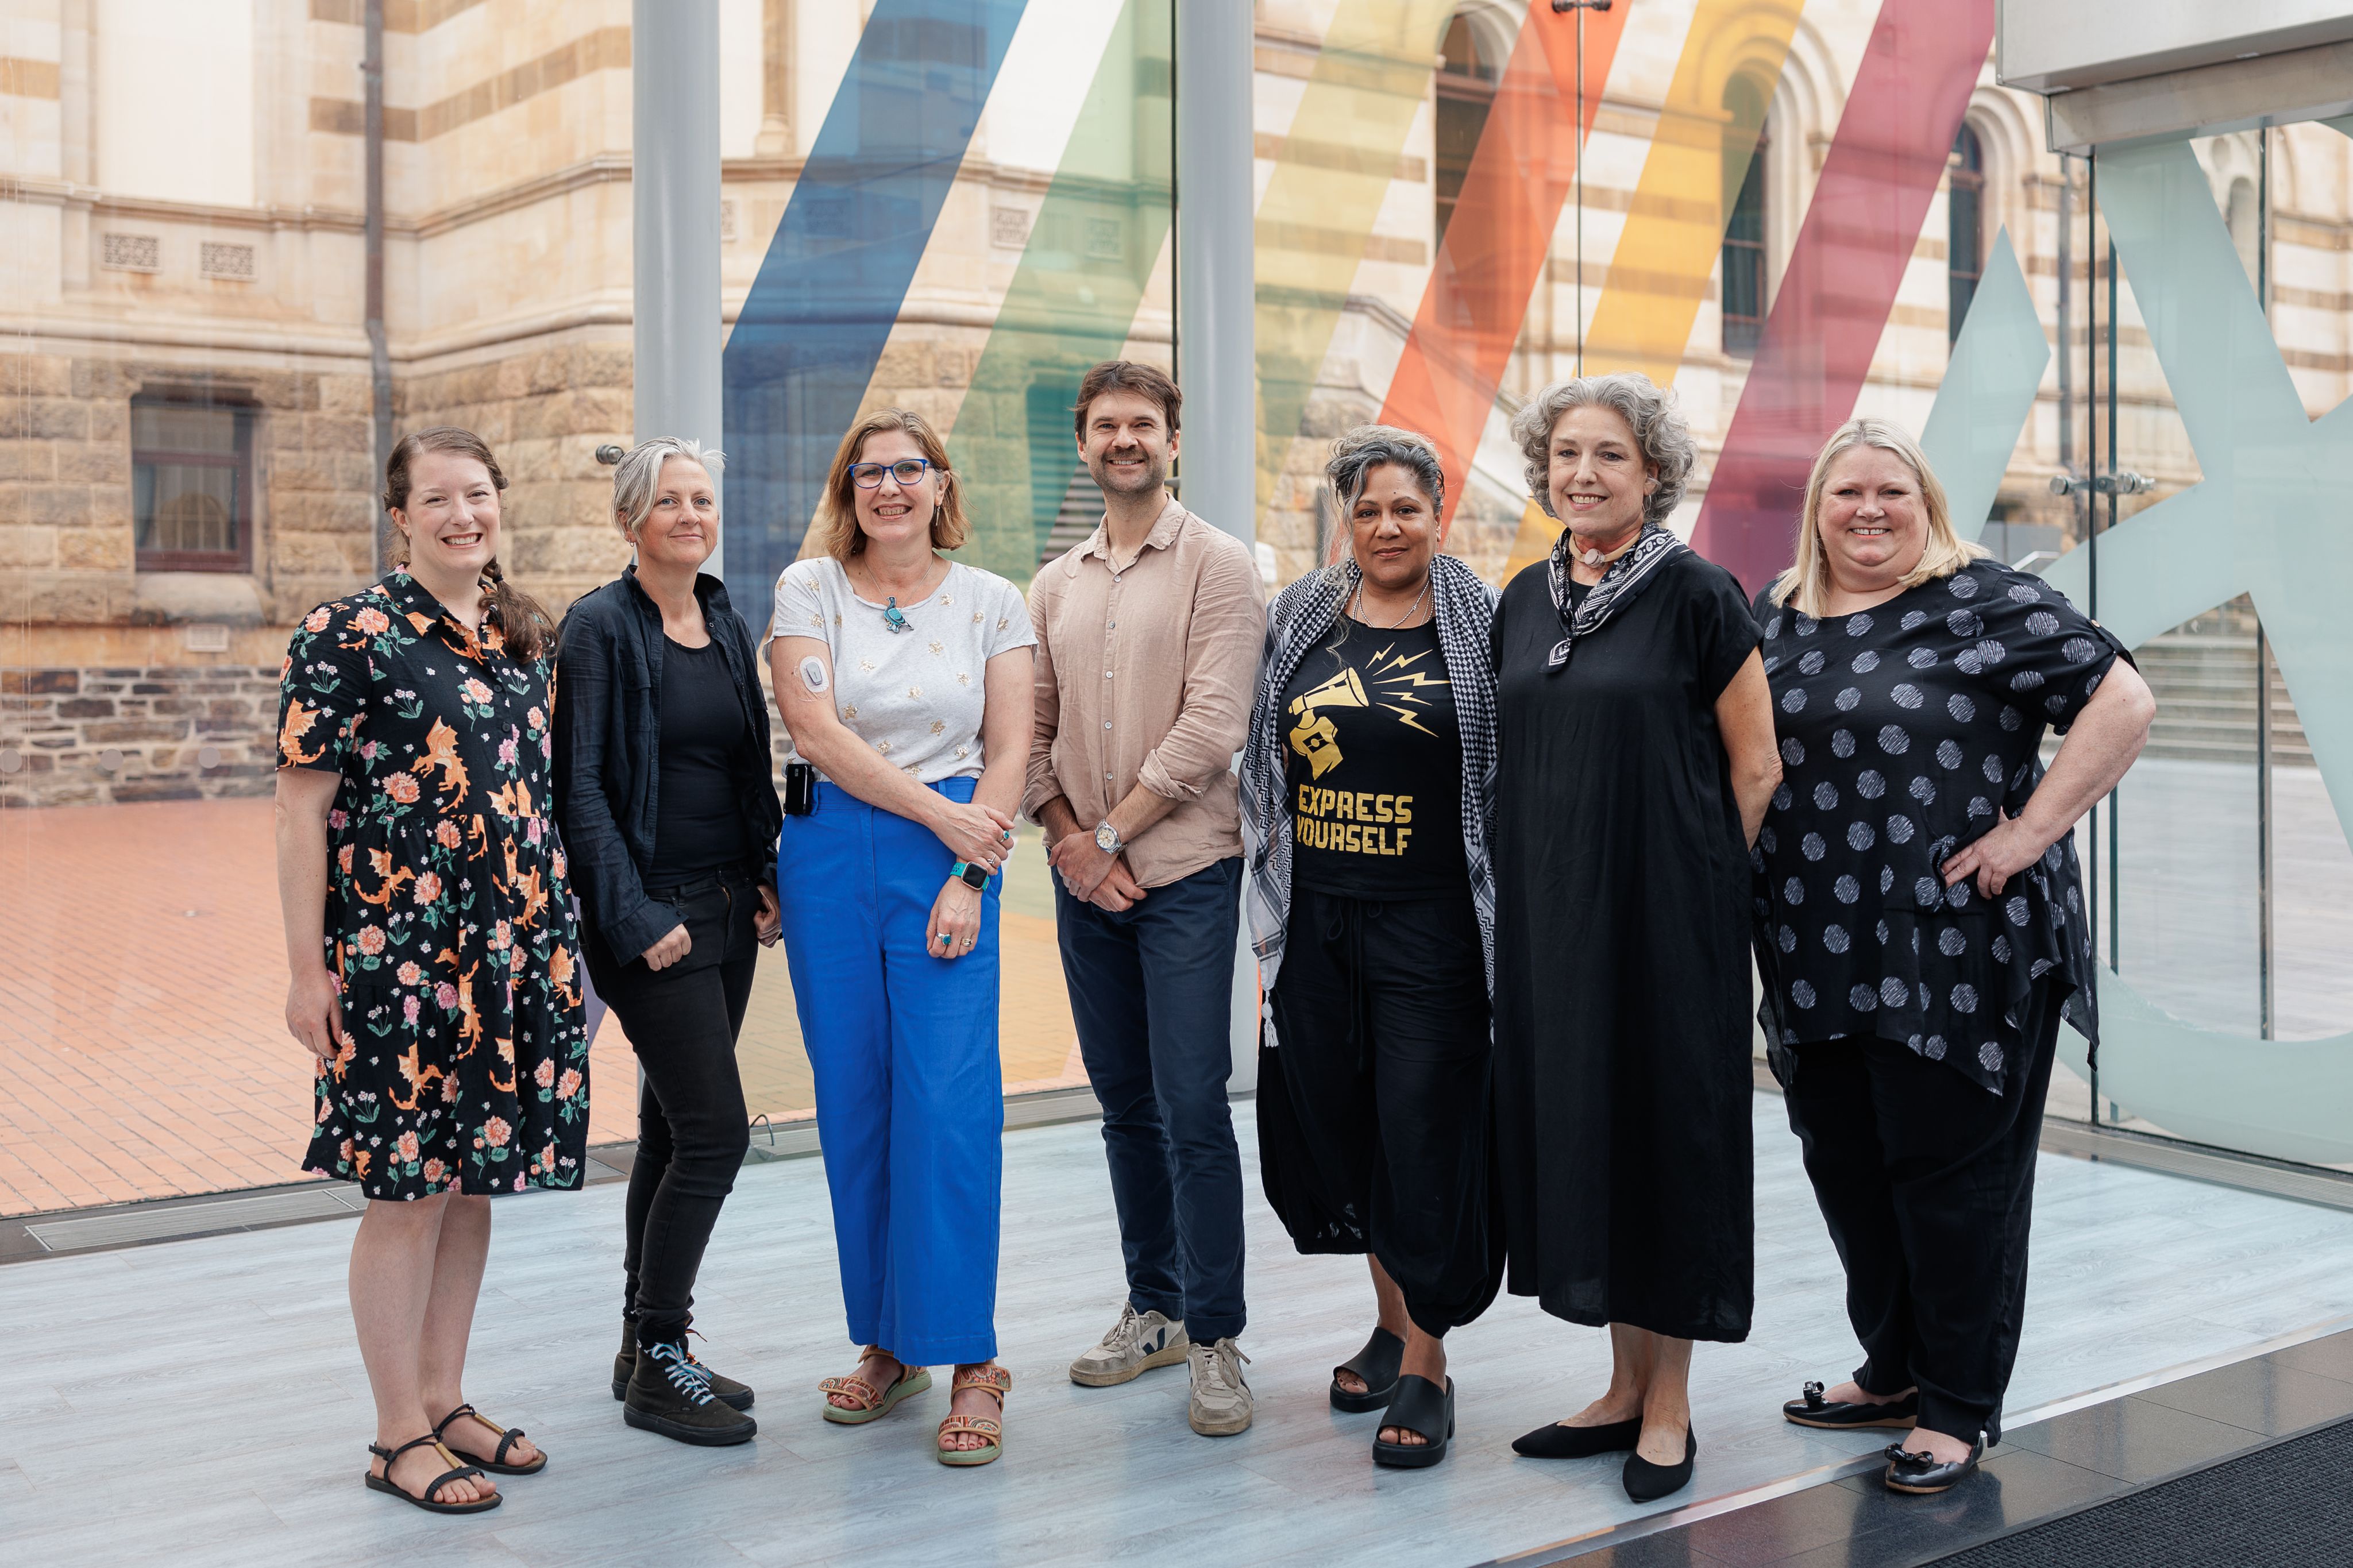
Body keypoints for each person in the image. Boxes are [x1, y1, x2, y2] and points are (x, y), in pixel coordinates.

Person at [1754, 418, 2154, 1496]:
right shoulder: (1775, 614)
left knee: (1952, 1181)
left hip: (1957, 948)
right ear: (1818, 509)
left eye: (1892, 490)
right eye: (1848, 494)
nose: (1869, 510)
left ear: (1926, 502)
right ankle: (1890, 1371)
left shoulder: (1987, 600)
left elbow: (2124, 700)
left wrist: (2029, 833)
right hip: (1811, 948)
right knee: (1848, 1170)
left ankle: (1957, 1406)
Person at [275, 426, 587, 1515]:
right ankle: (394, 1430)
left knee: (471, 1180)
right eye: (439, 499)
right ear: (400, 515)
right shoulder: (345, 632)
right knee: (406, 1188)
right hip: (394, 961)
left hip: (512, 951)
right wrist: (305, 971)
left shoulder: (517, 636)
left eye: (481, 494)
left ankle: (445, 1396)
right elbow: (300, 811)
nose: (465, 514)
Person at [1488, 374, 1783, 1503]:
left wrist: (1697, 889)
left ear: (1651, 473)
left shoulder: (1700, 594)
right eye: (1566, 454)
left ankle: (1669, 1405)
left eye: (1608, 455)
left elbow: (1753, 767)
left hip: (1668, 930)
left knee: (1668, 1150)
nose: (1583, 474)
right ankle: (1617, 1388)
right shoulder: (1522, 598)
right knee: (1590, 1143)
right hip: (1553, 929)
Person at [767, 407, 1036, 1467]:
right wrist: (939, 815)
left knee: (950, 1101)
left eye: (907, 470)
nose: (889, 488)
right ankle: (889, 1343)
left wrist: (970, 869)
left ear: (939, 484)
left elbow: (1014, 745)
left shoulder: (992, 600)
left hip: (952, 863)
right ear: (849, 487)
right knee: (859, 1101)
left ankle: (972, 1356)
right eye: (869, 471)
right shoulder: (810, 588)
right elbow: (816, 733)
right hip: (833, 852)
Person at [1239, 426, 1501, 1469]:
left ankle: (1429, 1362)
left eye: (1406, 508)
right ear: (1344, 519)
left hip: (1434, 926)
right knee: (1345, 1127)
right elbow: (1261, 759)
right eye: (1367, 509)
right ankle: (1391, 1317)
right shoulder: (1303, 612)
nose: (1387, 526)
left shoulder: (1482, 619)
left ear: (1440, 514)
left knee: (1427, 1136)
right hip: (1317, 919)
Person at [1027, 360, 1268, 1437]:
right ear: (1084, 444)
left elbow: (1216, 725)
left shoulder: (1220, 564)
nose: (1124, 439)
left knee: (1191, 1107)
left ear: (1173, 439)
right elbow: (1026, 736)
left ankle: (1217, 1336)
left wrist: (1110, 834)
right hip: (1086, 881)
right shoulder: (1054, 583)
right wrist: (1071, 841)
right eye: (1106, 425)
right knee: (1123, 1106)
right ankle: (1155, 1305)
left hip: (1183, 876)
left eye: (1144, 424)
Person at [553, 438, 782, 1447]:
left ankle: (648, 1344)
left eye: (702, 498)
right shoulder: (598, 627)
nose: (691, 514)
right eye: (669, 501)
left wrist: (769, 872)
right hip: (652, 920)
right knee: (718, 1134)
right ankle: (658, 1360)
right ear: (629, 520)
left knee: (670, 1131)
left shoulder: (723, 615)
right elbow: (581, 789)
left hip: (730, 910)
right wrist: (635, 917)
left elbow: (748, 762)